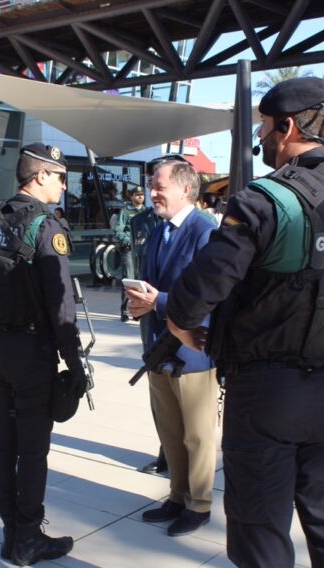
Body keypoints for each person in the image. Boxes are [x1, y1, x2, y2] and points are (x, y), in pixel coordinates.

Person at [164, 77, 324, 568]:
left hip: (265, 389)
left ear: (287, 127)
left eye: (266, 127)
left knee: (262, 521)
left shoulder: (265, 200)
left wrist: (178, 323)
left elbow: (199, 292)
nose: (262, 137)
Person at [0, 143, 87, 566]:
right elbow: (61, 306)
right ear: (39, 177)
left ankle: (10, 530)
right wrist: (75, 364)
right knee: (32, 449)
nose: (63, 184)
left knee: (3, 443)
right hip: (31, 351)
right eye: (59, 176)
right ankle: (29, 537)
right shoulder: (45, 227)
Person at [125, 158, 218, 537]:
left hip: (192, 351)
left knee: (197, 434)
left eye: (160, 185)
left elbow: (206, 295)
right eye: (151, 185)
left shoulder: (206, 231)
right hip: (158, 349)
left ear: (185, 188)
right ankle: (178, 496)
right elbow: (150, 282)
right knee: (169, 431)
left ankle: (199, 504)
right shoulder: (159, 230)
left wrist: (158, 302)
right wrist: (135, 303)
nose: (153, 192)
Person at [127, 186, 165, 476]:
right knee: (157, 384)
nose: (153, 192)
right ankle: (165, 451)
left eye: (161, 186)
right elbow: (136, 262)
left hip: (178, 312)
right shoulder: (139, 222)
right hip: (148, 317)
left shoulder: (200, 224)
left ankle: (181, 455)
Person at [112, 186, 148, 322]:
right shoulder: (125, 212)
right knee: (129, 280)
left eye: (142, 195)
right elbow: (118, 230)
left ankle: (140, 309)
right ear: (131, 197)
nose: (140, 197)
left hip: (144, 250)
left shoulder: (147, 212)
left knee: (143, 280)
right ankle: (125, 311)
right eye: (137, 195)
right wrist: (129, 241)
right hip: (130, 250)